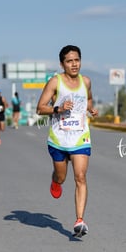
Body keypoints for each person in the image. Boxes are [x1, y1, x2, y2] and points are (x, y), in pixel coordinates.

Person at [36, 45, 98, 238]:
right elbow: (40, 108)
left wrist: (90, 109)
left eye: (77, 60)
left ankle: (80, 220)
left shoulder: (86, 81)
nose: (74, 64)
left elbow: (88, 99)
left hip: (80, 136)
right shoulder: (55, 82)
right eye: (70, 61)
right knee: (62, 176)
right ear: (62, 63)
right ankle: (56, 181)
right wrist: (58, 108)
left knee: (80, 177)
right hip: (59, 139)